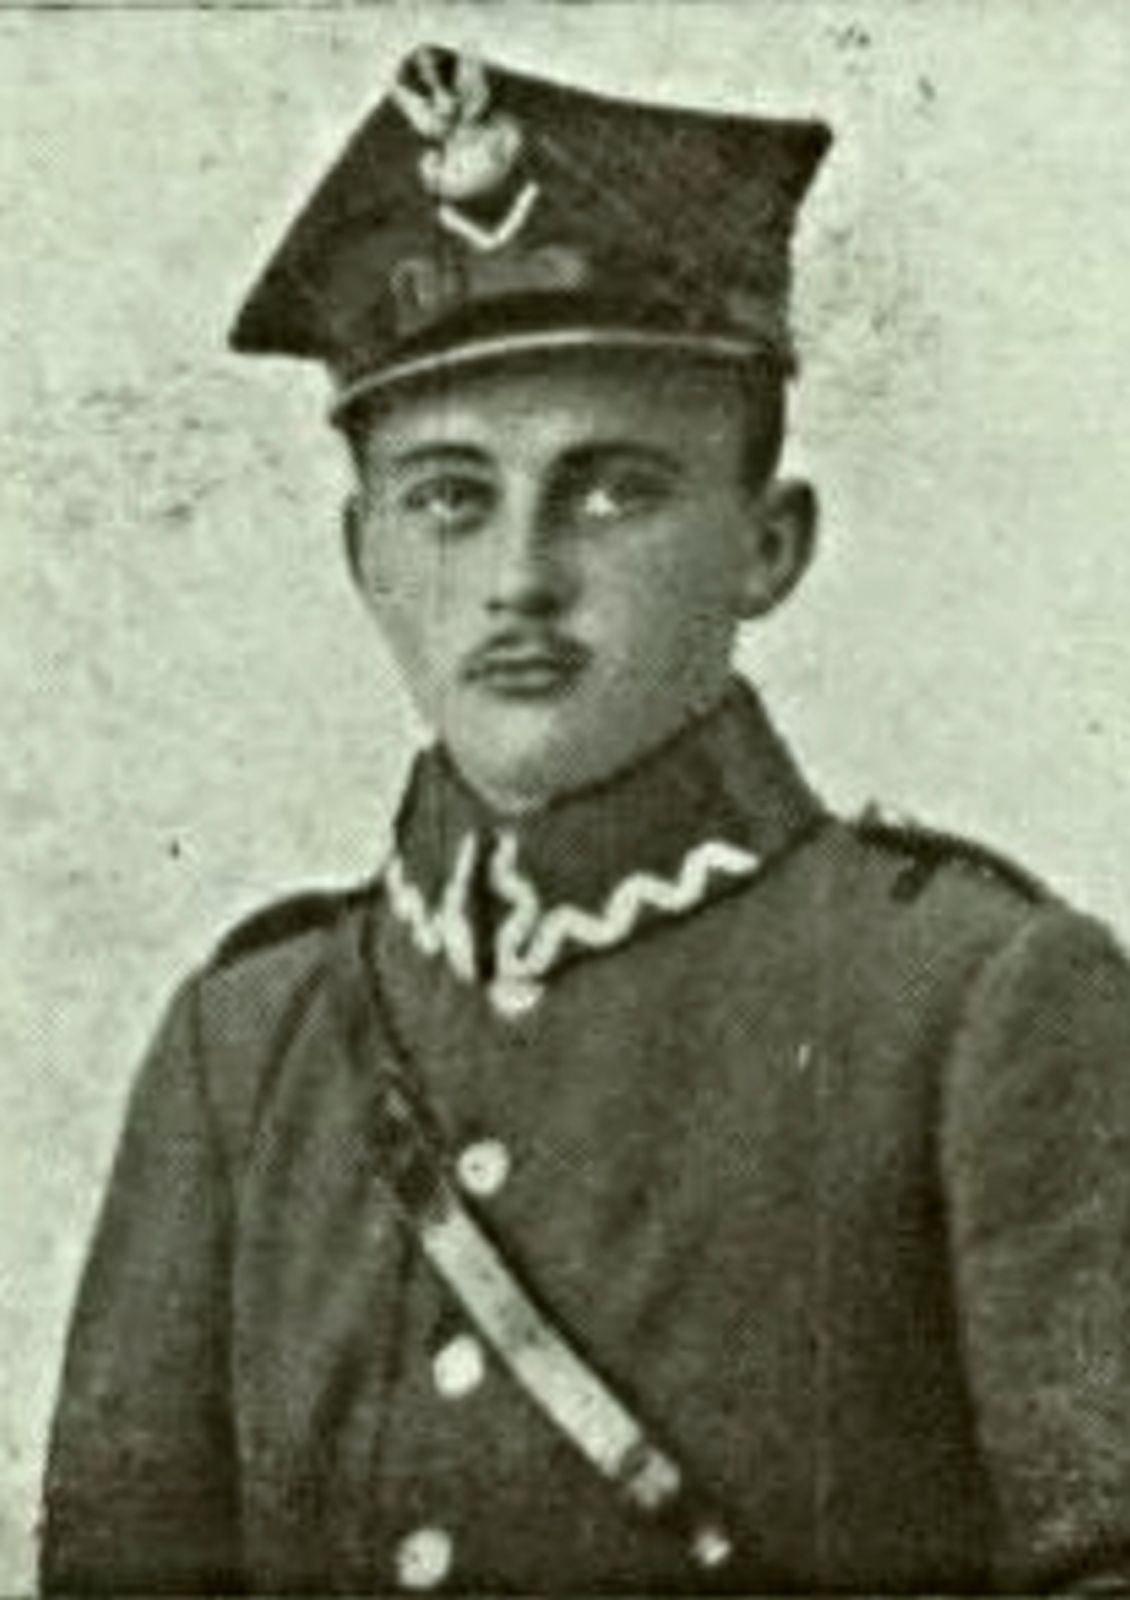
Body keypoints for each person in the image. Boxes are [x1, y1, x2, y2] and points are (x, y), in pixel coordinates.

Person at [40, 42, 1130, 1596]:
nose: (518, 579)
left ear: (767, 546)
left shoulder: (968, 1006)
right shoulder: (245, 1047)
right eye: (447, 497)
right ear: (361, 554)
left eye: (611, 489)